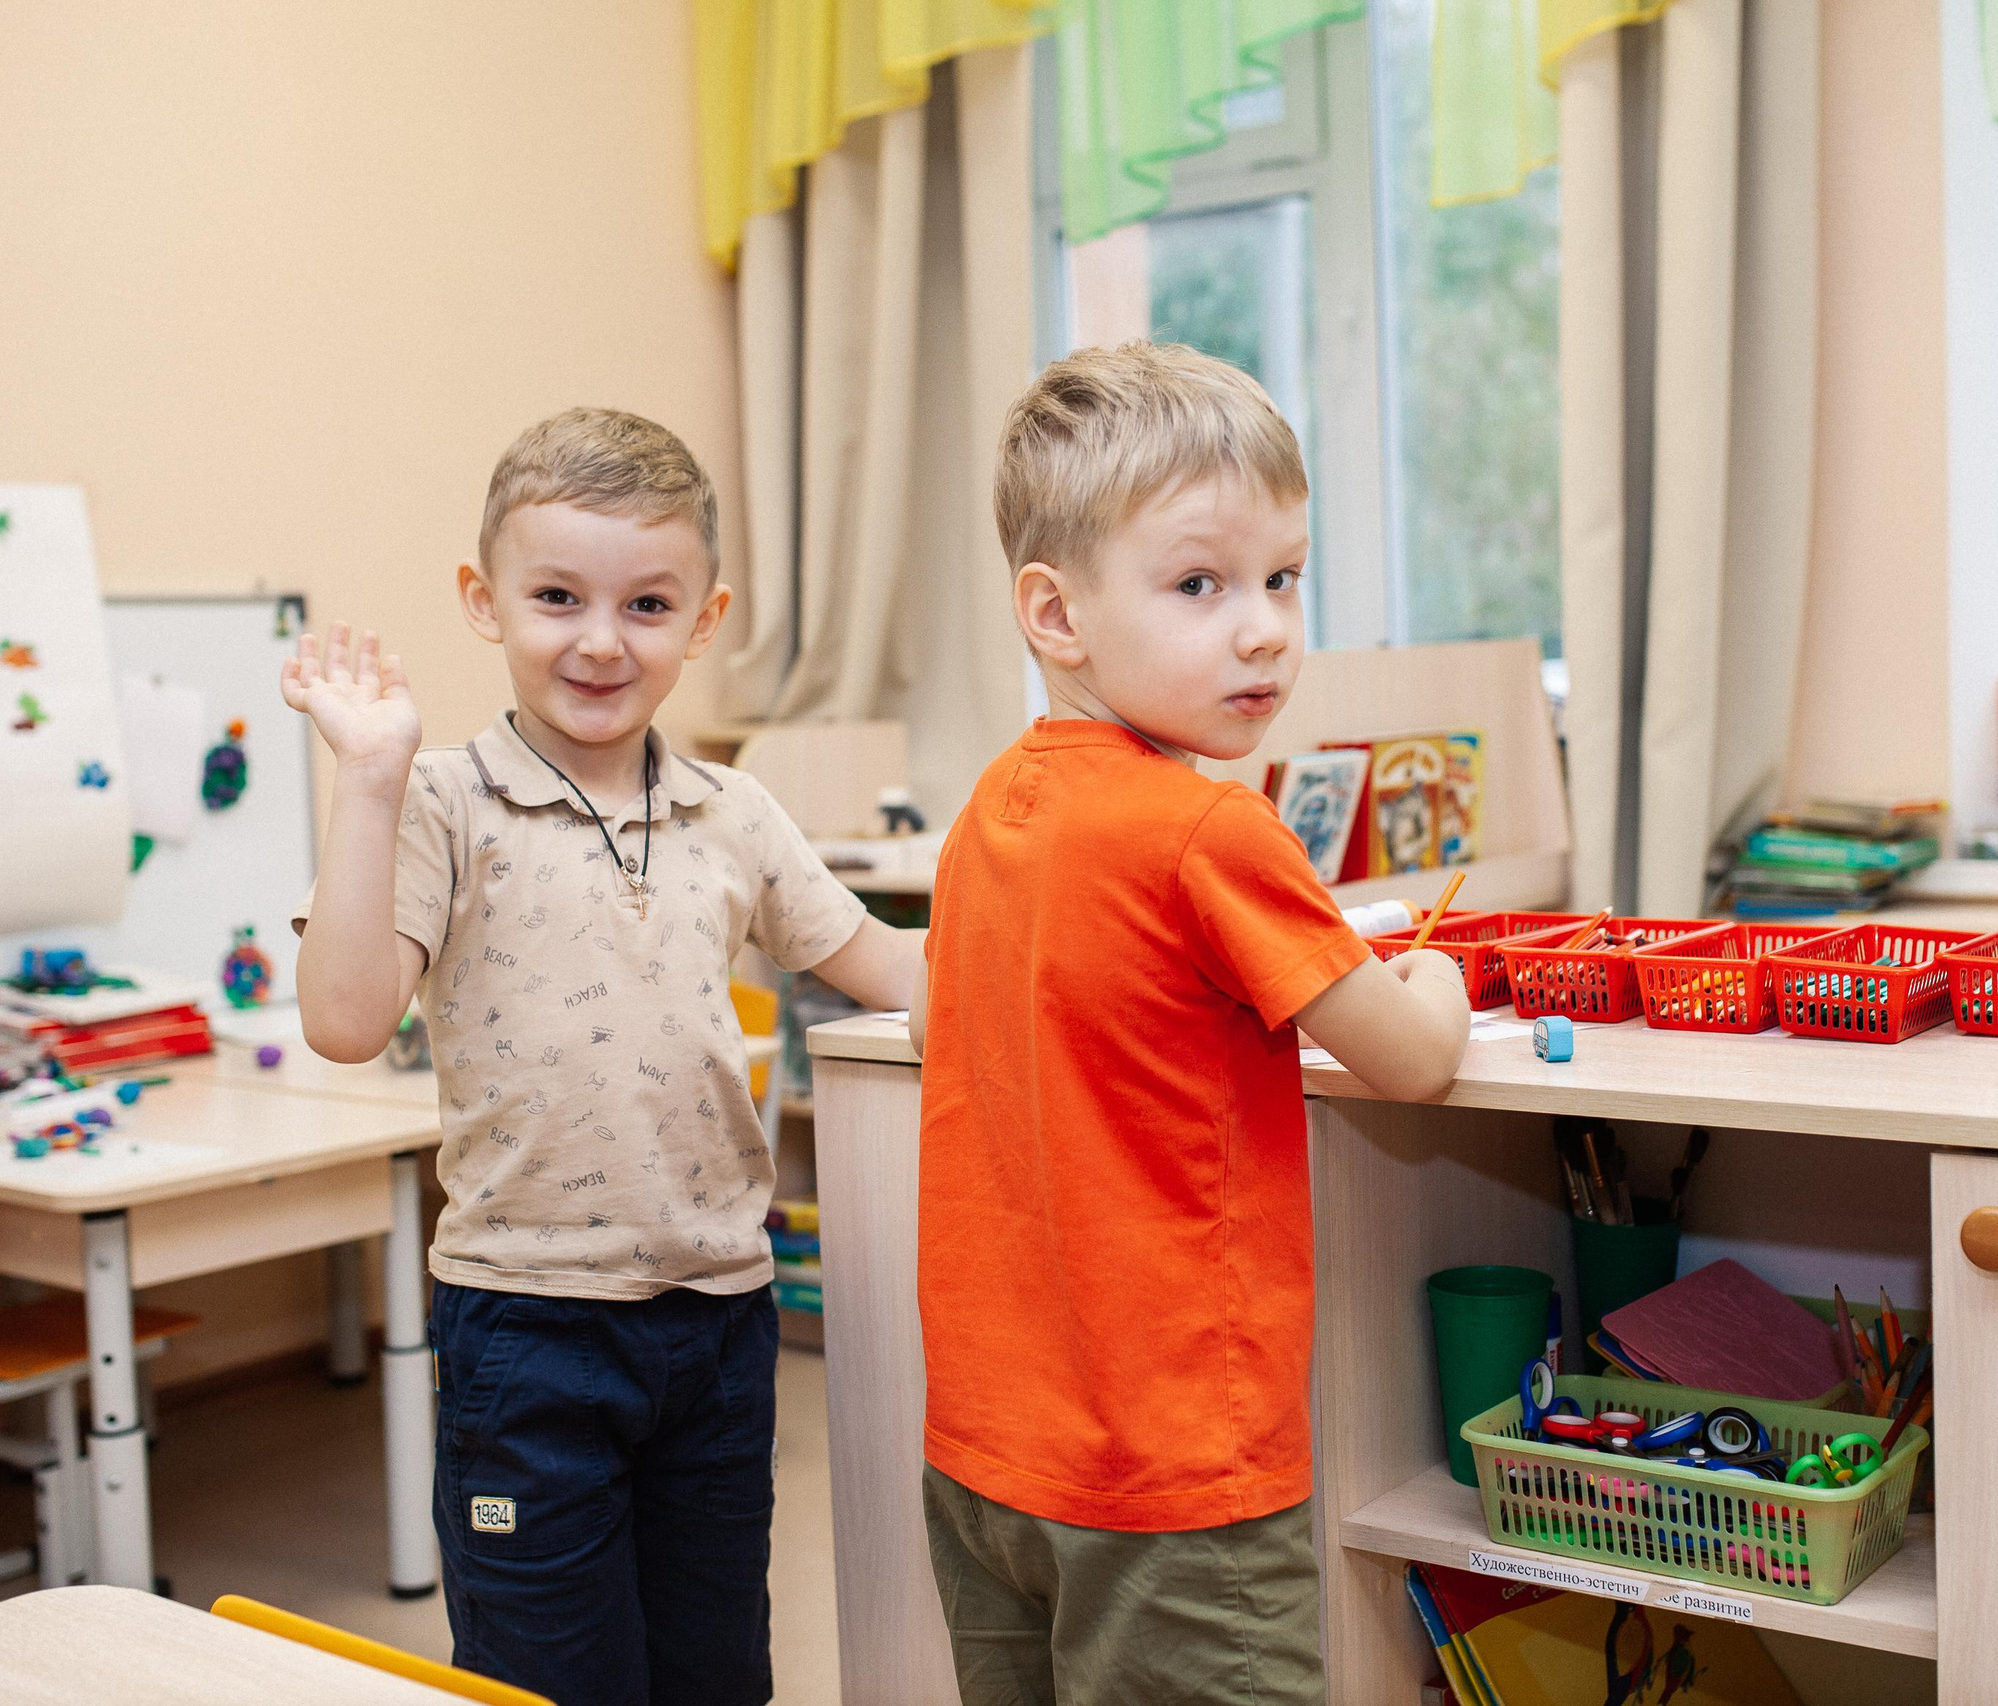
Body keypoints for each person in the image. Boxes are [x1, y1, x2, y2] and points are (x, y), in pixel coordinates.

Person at [285, 407, 923, 1706]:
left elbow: (896, 967)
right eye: (558, 596)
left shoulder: (734, 810)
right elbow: (345, 1022)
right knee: (552, 1675)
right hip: (527, 1327)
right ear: (485, 600)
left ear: (705, 619)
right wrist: (370, 779)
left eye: (647, 605)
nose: (599, 639)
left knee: (714, 1671)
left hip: (718, 1320)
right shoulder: (441, 802)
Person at [909, 342, 1473, 1704]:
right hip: (1173, 1474)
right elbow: (1408, 1058)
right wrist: (1439, 975)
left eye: (1284, 577)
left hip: (989, 1458)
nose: (1266, 628)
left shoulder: (991, 811)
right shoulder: (1211, 828)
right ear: (1056, 613)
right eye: (1201, 585)